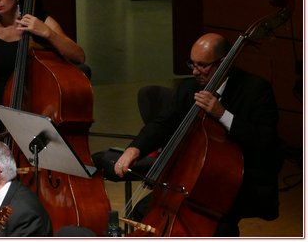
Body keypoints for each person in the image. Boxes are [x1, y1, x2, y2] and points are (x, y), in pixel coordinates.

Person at [114, 33, 282, 236]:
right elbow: (163, 123)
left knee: (216, 228)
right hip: (191, 182)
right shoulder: (189, 88)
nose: (194, 72)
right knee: (143, 211)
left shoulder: (255, 89)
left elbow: (265, 142)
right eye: (191, 64)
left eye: (202, 65)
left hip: (238, 181)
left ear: (223, 62)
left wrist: (222, 114)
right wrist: (135, 148)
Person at [0, 0, 86, 141]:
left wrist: (48, 33)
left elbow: (78, 56)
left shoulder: (41, 21)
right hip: (1, 111)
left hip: (38, 110)